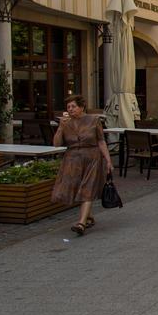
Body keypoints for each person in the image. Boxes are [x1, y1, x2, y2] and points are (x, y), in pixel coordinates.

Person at [51, 95, 113, 236]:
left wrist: (108, 160)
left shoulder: (94, 120)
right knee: (77, 188)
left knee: (87, 188)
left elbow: (101, 141)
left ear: (82, 107)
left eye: (73, 106)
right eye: (68, 107)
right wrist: (60, 127)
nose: (70, 109)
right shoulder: (66, 123)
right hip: (72, 160)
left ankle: (81, 223)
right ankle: (89, 216)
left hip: (92, 158)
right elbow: (56, 144)